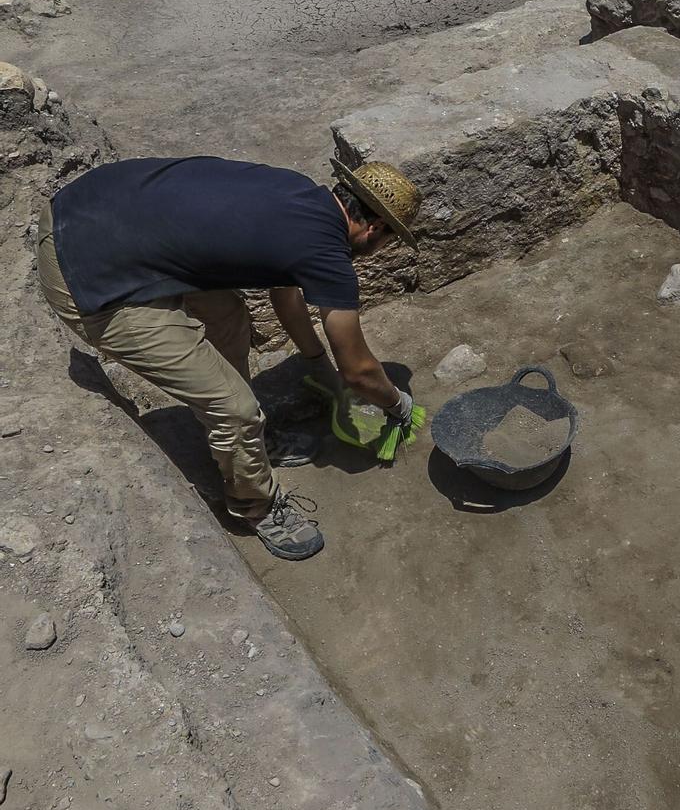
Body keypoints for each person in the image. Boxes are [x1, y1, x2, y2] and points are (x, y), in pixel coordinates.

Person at [37, 155, 424, 562]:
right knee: (235, 410)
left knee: (229, 317)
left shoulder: (296, 194)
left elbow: (286, 295)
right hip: (85, 272)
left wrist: (319, 369)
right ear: (375, 228)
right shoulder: (327, 252)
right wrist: (399, 405)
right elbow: (360, 372)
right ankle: (256, 505)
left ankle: (245, 445)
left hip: (94, 207)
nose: (380, 249)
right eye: (388, 240)